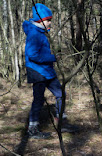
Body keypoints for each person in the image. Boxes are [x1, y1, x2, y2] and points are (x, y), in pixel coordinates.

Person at [23, 3, 77, 139]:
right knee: (39, 100)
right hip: (37, 72)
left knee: (61, 94)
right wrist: (53, 57)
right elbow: (33, 55)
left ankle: (61, 123)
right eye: (48, 20)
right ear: (40, 20)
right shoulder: (34, 34)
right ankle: (33, 129)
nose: (50, 22)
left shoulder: (41, 32)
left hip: (46, 71)